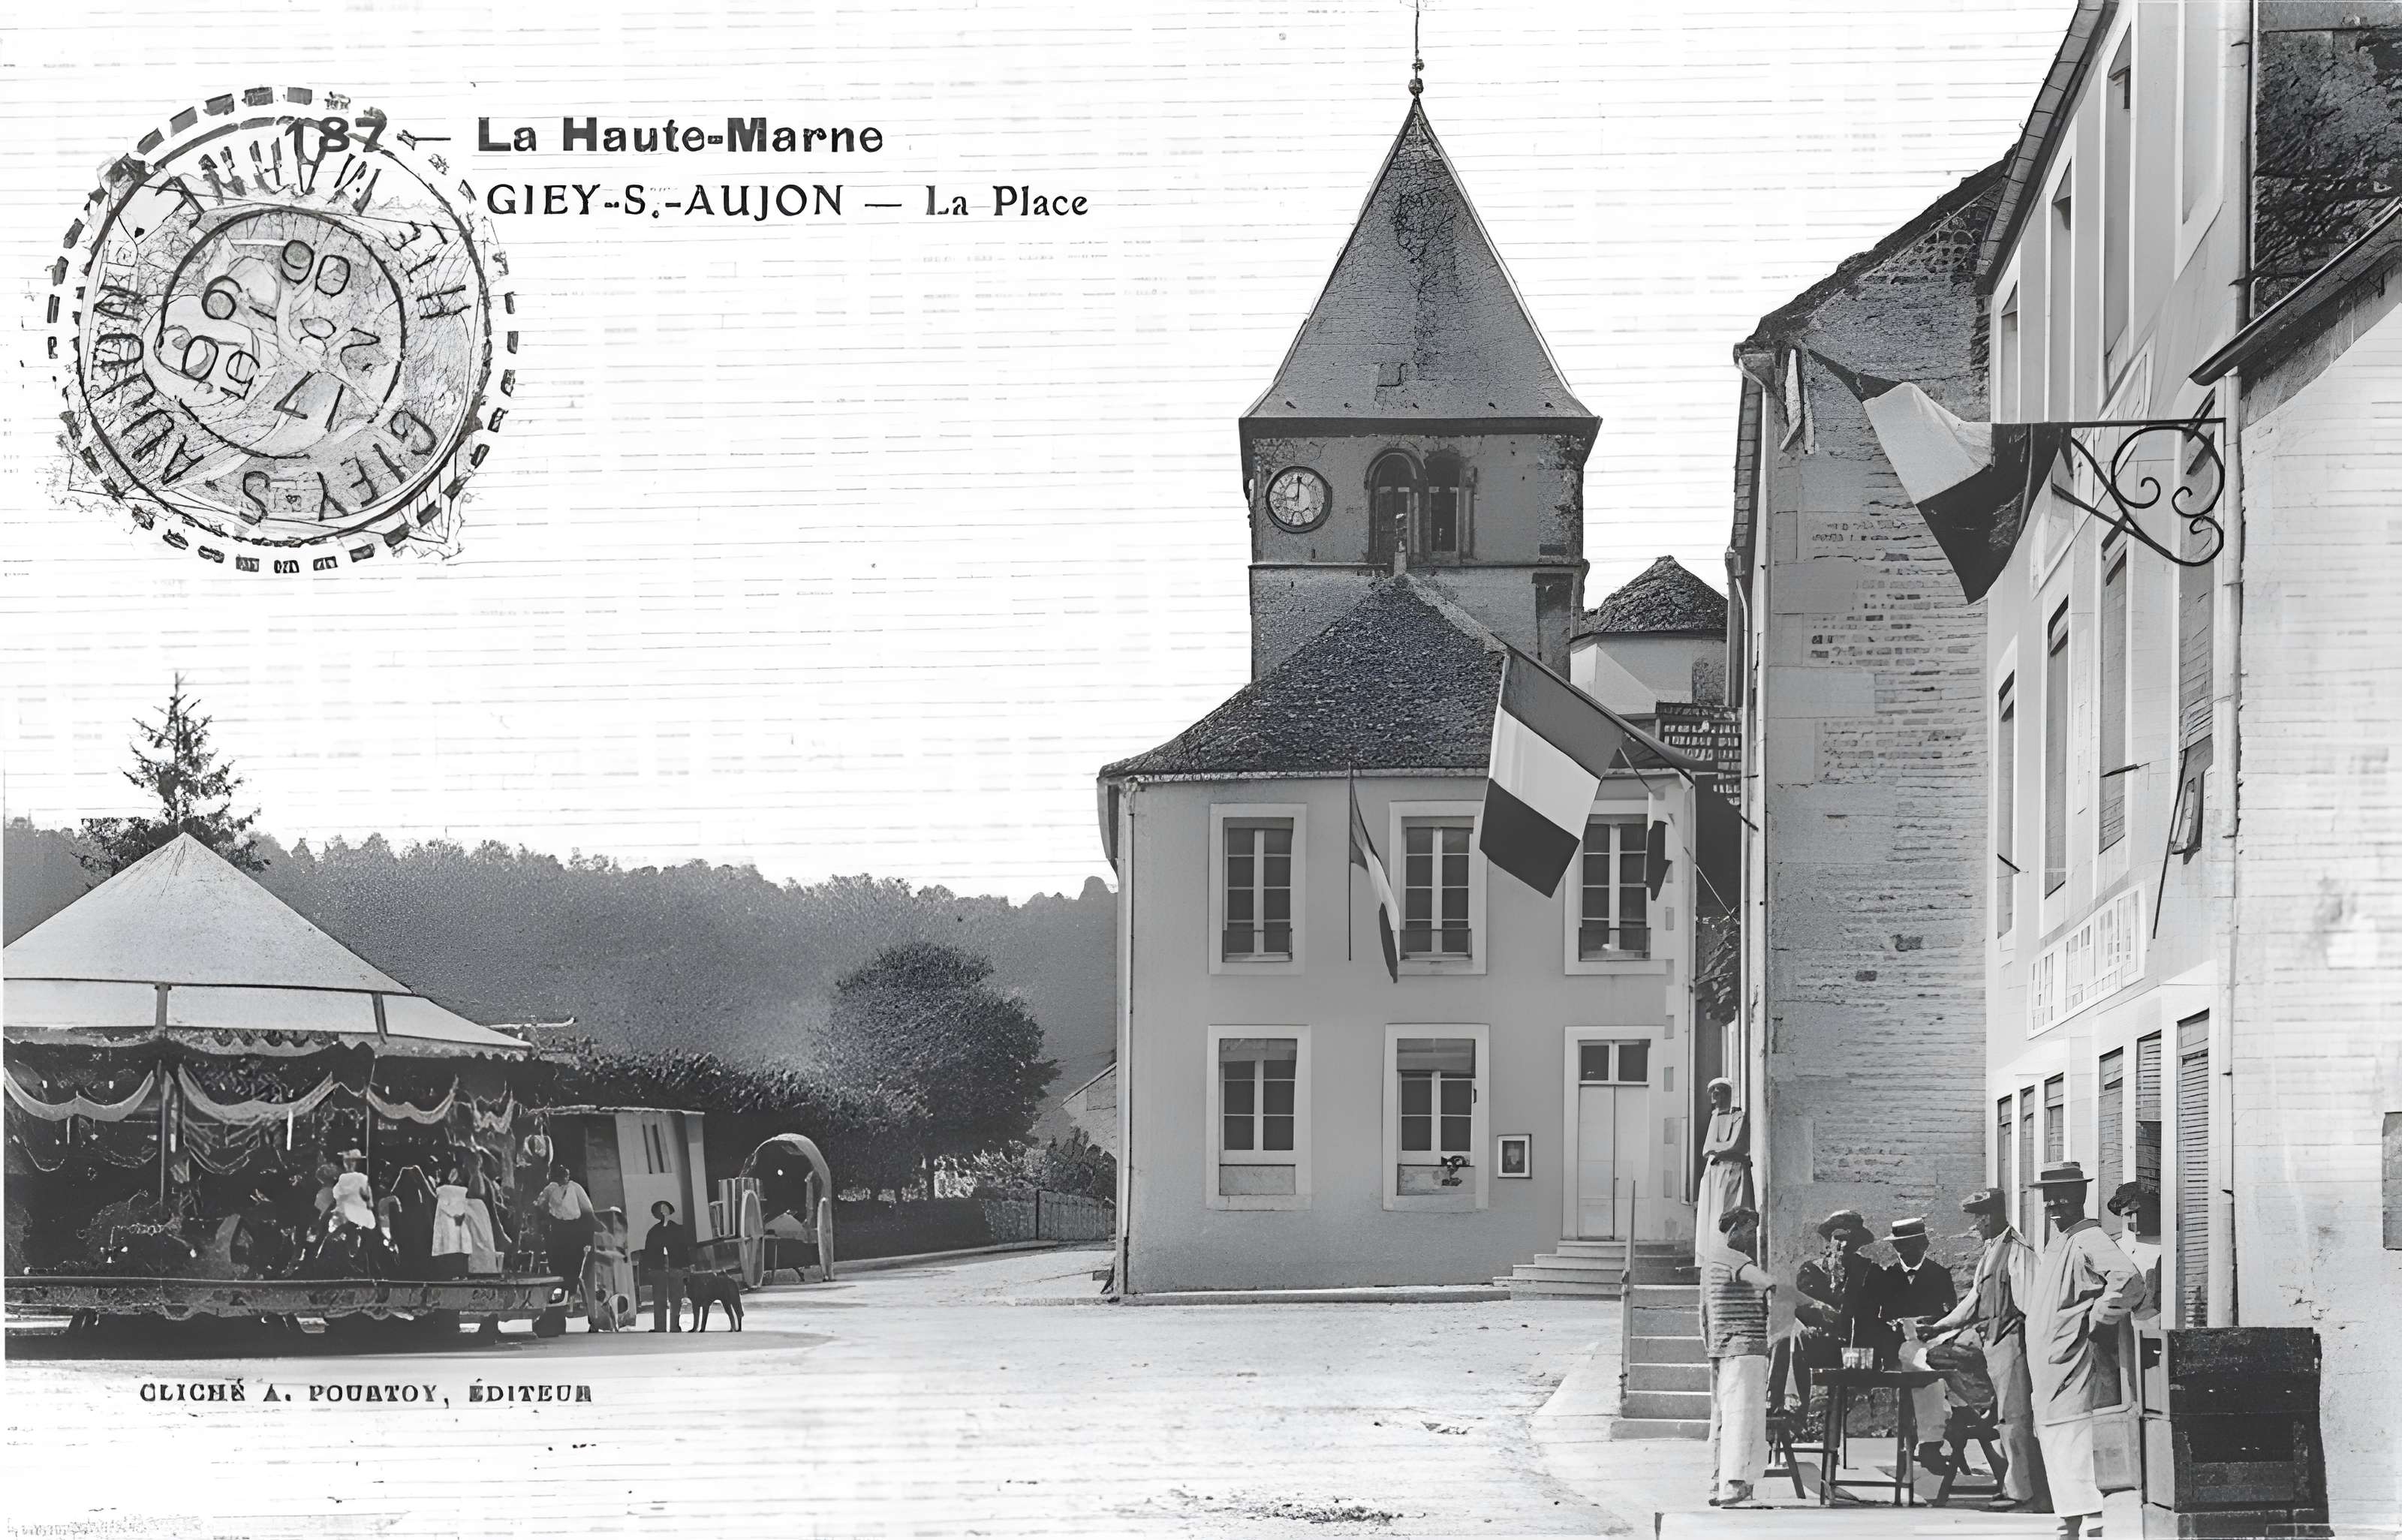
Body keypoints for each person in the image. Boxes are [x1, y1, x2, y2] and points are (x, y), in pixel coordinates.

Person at [2025, 1161, 2147, 1539]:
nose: (2056, 1206)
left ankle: (2090, 1523)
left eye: (2064, 1198)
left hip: (2077, 1362)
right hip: (2050, 1366)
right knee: (2056, 1443)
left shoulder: (2088, 1237)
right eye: (2050, 1200)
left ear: (2080, 1198)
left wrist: (2100, 1316)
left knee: (2076, 1442)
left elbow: (2127, 1279)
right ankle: (2070, 1522)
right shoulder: (2058, 1240)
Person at [1924, 1187, 2049, 1513]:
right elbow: (1974, 1301)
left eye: (1979, 1217)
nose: (1975, 1225)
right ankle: (1984, 1411)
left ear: (1994, 1215)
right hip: (1992, 1341)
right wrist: (1939, 1327)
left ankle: (2025, 1495)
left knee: (2015, 1419)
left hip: (2012, 1341)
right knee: (1940, 1354)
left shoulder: (2019, 1252)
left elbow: (2031, 1306)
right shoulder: (1992, 1250)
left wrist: (2032, 1350)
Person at [1769, 1208, 1886, 1427]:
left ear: (1858, 1244)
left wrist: (1851, 1286)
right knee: (1788, 1341)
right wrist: (1828, 1310)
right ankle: (1787, 1412)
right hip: (1823, 1344)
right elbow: (1806, 1311)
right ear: (1829, 1242)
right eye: (1839, 1240)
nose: (1843, 1246)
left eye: (1851, 1241)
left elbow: (1872, 1311)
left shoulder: (1870, 1271)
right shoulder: (1811, 1271)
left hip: (1859, 1350)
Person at [1871, 1216, 1964, 1476]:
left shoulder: (1939, 1274)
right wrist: (1895, 1326)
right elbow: (1876, 1319)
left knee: (1938, 1362)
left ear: (1924, 1244)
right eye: (1900, 1246)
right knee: (1924, 1368)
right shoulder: (1886, 1276)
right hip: (1900, 1346)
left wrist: (1932, 1324)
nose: (1906, 1251)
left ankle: (1948, 1427)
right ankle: (1932, 1443)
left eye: (1912, 1245)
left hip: (1932, 1339)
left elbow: (1951, 1316)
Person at [1702, 1204, 1776, 1509]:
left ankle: (1723, 1482)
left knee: (1725, 1416)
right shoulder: (1735, 1258)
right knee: (1742, 1417)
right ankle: (1734, 1484)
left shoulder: (1711, 1261)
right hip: (1743, 1346)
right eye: (1748, 1230)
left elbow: (1704, 1312)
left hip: (1722, 1348)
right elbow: (1768, 1283)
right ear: (1735, 1228)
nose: (1751, 1237)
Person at [1693, 1078, 1754, 1265]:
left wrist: (1719, 1151)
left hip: (1733, 1170)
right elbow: (1707, 1148)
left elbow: (1735, 1145)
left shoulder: (1739, 1117)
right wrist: (1719, 1150)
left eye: (1719, 1093)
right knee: (1713, 1216)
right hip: (1714, 1172)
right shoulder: (1715, 1117)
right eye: (1714, 1094)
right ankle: (1714, 1257)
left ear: (1728, 1094)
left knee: (1730, 1214)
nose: (1716, 1098)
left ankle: (1730, 1257)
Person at [537, 1160, 604, 1329]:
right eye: (558, 1175)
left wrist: (596, 1228)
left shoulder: (575, 1188)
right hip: (557, 1233)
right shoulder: (550, 1189)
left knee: (572, 1275)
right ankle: (556, 1315)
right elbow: (540, 1207)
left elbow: (587, 1211)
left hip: (574, 1233)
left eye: (564, 1175)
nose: (562, 1178)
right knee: (557, 1274)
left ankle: (565, 1309)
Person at [2105, 1181, 2162, 1322]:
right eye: (2129, 1215)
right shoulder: (2116, 1247)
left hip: (2151, 1318)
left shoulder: (2162, 1246)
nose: (2134, 1219)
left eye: (2138, 1213)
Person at [641, 1200, 694, 1333]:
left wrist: (686, 1266)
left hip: (675, 1266)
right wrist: (649, 1269)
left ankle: (675, 1326)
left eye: (665, 1207)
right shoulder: (653, 1231)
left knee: (676, 1298)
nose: (663, 1210)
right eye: (660, 1208)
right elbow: (649, 1252)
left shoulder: (677, 1229)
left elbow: (684, 1249)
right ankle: (660, 1327)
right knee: (659, 1298)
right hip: (658, 1268)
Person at [430, 1164, 474, 1279]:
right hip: (459, 1221)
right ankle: (461, 1273)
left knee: (449, 1248)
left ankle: (450, 1273)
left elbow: (443, 1207)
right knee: (460, 1247)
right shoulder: (463, 1191)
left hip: (449, 1224)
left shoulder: (442, 1192)